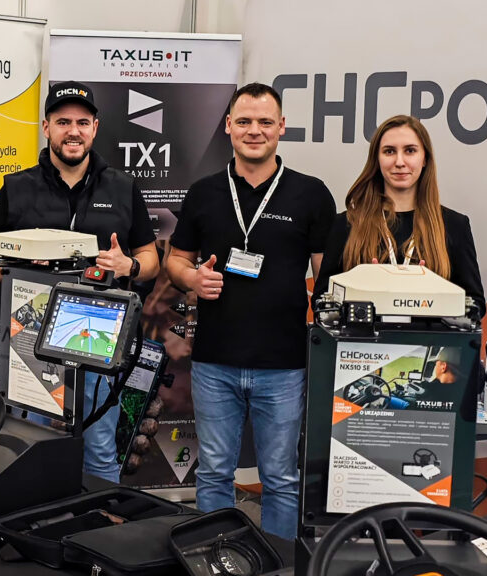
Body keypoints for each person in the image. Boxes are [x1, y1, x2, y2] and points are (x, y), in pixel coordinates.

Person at [165, 83, 336, 540]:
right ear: (228, 127)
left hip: (283, 365)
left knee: (280, 478)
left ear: (282, 127)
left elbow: (327, 282)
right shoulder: (204, 192)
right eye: (244, 121)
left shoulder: (311, 194)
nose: (254, 130)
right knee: (214, 473)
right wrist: (192, 279)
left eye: (264, 122)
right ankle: (214, 560)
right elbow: (175, 260)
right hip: (214, 362)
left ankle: (278, 564)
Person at [0, 81, 159, 482]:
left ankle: (99, 521)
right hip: (29, 337)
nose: (73, 131)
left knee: (99, 450)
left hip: (98, 336)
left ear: (95, 128)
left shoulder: (122, 187)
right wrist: (19, 263)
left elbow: (151, 259)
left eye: (82, 122)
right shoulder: (16, 187)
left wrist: (128, 265)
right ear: (46, 127)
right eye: (62, 122)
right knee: (27, 446)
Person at [311, 114, 485, 313]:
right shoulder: (347, 224)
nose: (399, 162)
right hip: (365, 335)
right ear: (377, 159)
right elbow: (321, 302)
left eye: (410, 151)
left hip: (430, 335)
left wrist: (433, 298)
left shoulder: (454, 225)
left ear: (425, 158)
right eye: (389, 151)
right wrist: (362, 291)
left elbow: (475, 305)